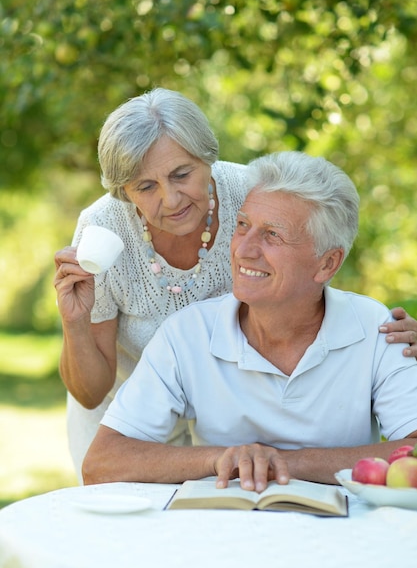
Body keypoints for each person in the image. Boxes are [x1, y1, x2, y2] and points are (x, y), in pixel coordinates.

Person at [54, 89, 417, 482]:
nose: (171, 199)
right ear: (123, 191)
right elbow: (97, 422)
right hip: (131, 413)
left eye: (181, 175)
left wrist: (382, 342)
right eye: (145, 187)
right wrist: (74, 322)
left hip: (230, 424)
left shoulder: (257, 193)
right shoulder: (105, 232)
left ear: (207, 160)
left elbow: (311, 275)